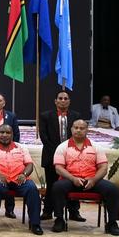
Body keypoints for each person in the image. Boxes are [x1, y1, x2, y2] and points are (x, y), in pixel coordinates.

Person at [50, 119, 119, 236]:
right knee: (57, 187)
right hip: (71, 180)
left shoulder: (95, 147)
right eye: (76, 128)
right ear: (71, 129)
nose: (78, 130)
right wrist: (73, 178)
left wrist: (93, 180)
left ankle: (112, 223)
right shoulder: (63, 147)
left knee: (113, 189)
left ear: (87, 130)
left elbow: (103, 167)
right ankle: (59, 220)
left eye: (82, 128)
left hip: (92, 180)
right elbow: (59, 168)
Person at [0, 124, 43, 235]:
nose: (4, 135)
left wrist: (24, 174)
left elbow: (29, 164)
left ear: (12, 134)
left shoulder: (21, 147)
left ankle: (35, 224)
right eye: (2, 132)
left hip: (19, 179)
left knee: (32, 188)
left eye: (8, 133)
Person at [37, 90, 82, 221]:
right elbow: (44, 137)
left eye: (65, 98)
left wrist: (68, 154)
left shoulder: (76, 116)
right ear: (55, 101)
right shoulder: (45, 116)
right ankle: (47, 211)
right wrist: (58, 153)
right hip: (51, 156)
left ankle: (74, 212)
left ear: (69, 101)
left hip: (72, 158)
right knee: (51, 185)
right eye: (60, 98)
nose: (63, 100)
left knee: (73, 183)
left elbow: (79, 137)